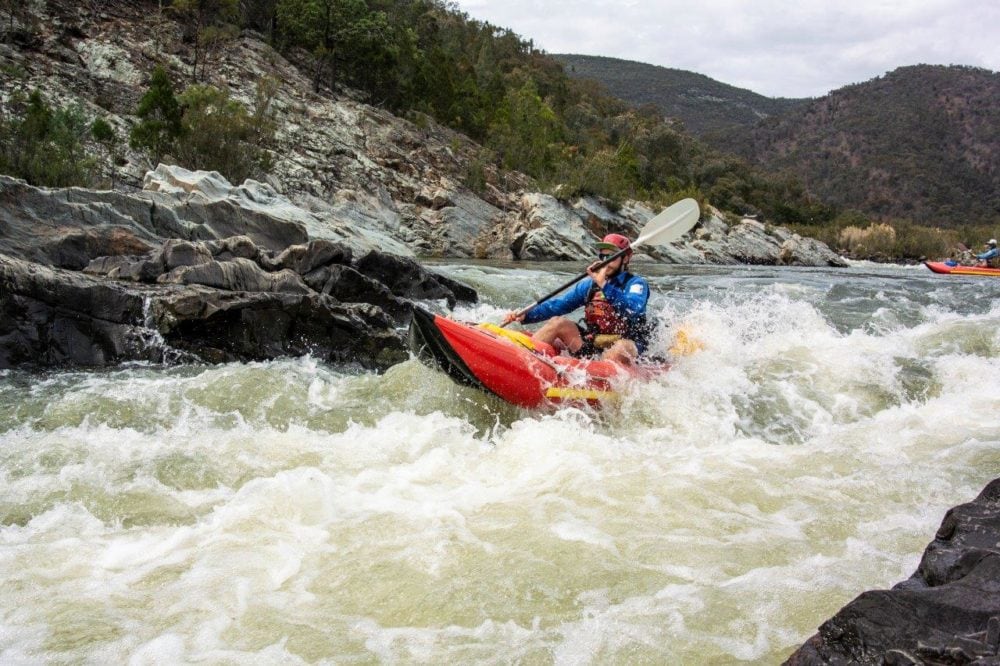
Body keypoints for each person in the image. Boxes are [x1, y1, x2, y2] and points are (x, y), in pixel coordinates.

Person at [502, 233, 651, 365]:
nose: (606, 261)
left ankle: (599, 377)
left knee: (621, 348)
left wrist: (604, 285)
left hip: (627, 344)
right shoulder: (589, 286)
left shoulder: (636, 284)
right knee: (557, 323)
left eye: (611, 257)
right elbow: (558, 305)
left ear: (625, 258)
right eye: (603, 256)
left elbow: (632, 308)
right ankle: (522, 362)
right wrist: (527, 315)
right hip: (594, 343)